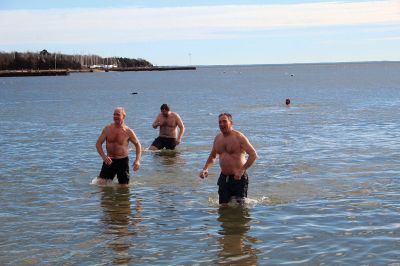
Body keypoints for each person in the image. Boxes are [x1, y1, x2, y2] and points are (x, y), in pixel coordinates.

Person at [199, 113, 257, 207]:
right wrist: (205, 169)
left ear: (231, 123)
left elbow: (253, 155)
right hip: (223, 178)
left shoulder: (239, 137)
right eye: (219, 122)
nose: (221, 124)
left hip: (239, 178)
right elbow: (213, 156)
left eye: (224, 121)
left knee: (239, 209)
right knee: (223, 208)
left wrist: (242, 170)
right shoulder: (218, 138)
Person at [96, 107, 141, 185]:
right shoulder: (107, 129)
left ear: (123, 116)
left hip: (122, 162)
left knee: (124, 188)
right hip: (109, 161)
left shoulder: (128, 131)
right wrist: (104, 157)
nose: (115, 116)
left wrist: (137, 160)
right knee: (101, 184)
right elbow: (98, 144)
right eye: (114, 114)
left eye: (118, 114)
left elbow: (138, 145)